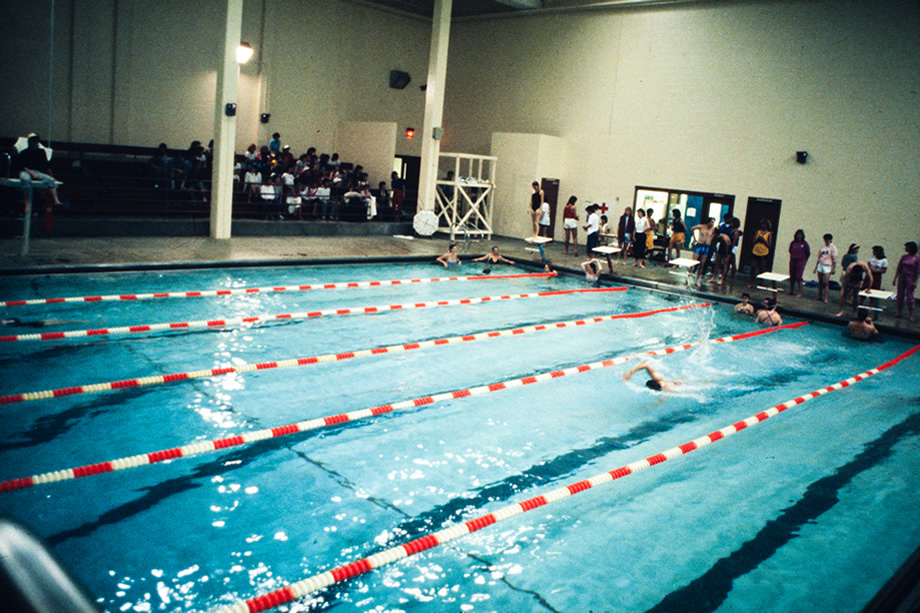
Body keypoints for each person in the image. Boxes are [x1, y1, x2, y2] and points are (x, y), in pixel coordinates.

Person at [14, 134, 63, 212]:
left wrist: (51, 177)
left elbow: (47, 166)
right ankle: (27, 203)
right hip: (25, 171)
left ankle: (56, 200)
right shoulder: (24, 153)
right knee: (25, 179)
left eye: (36, 141)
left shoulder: (41, 152)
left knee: (50, 179)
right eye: (33, 141)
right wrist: (32, 174)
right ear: (29, 142)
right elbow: (22, 166)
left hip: (37, 171)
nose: (34, 143)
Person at [893, 241, 920, 322]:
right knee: (900, 295)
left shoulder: (917, 258)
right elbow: (899, 268)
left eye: (907, 247)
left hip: (910, 278)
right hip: (902, 277)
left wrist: (915, 281)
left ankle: (911, 314)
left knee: (910, 296)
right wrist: (895, 278)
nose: (905, 248)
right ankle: (899, 312)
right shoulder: (904, 257)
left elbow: (918, 271)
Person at [747, 219, 773, 288]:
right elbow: (753, 241)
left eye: (765, 224)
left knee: (762, 268)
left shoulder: (769, 234)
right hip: (755, 251)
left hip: (763, 252)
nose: (763, 226)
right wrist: (758, 239)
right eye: (762, 224)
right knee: (753, 267)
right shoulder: (758, 232)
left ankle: (761, 283)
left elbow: (769, 245)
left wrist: (763, 240)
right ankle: (752, 282)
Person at [814, 233, 838, 303]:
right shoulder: (822, 248)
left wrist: (833, 268)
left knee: (826, 282)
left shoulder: (833, 248)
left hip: (827, 266)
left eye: (827, 240)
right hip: (821, 265)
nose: (826, 241)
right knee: (820, 282)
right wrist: (816, 267)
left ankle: (826, 298)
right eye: (825, 240)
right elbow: (819, 257)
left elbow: (834, 258)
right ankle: (820, 296)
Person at [690, 217, 715, 281]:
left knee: (702, 264)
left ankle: (698, 279)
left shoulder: (713, 230)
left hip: (706, 247)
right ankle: (688, 275)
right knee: (693, 262)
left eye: (713, 222)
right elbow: (692, 228)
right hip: (699, 245)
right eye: (712, 222)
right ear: (708, 222)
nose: (712, 224)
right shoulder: (701, 227)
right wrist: (694, 238)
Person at [787, 229, 811, 296]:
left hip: (800, 261)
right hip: (793, 260)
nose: (799, 236)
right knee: (792, 276)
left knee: (798, 276)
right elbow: (790, 250)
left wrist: (804, 260)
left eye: (800, 235)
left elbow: (808, 253)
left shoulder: (804, 244)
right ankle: (791, 290)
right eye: (797, 235)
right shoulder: (793, 243)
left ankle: (800, 292)